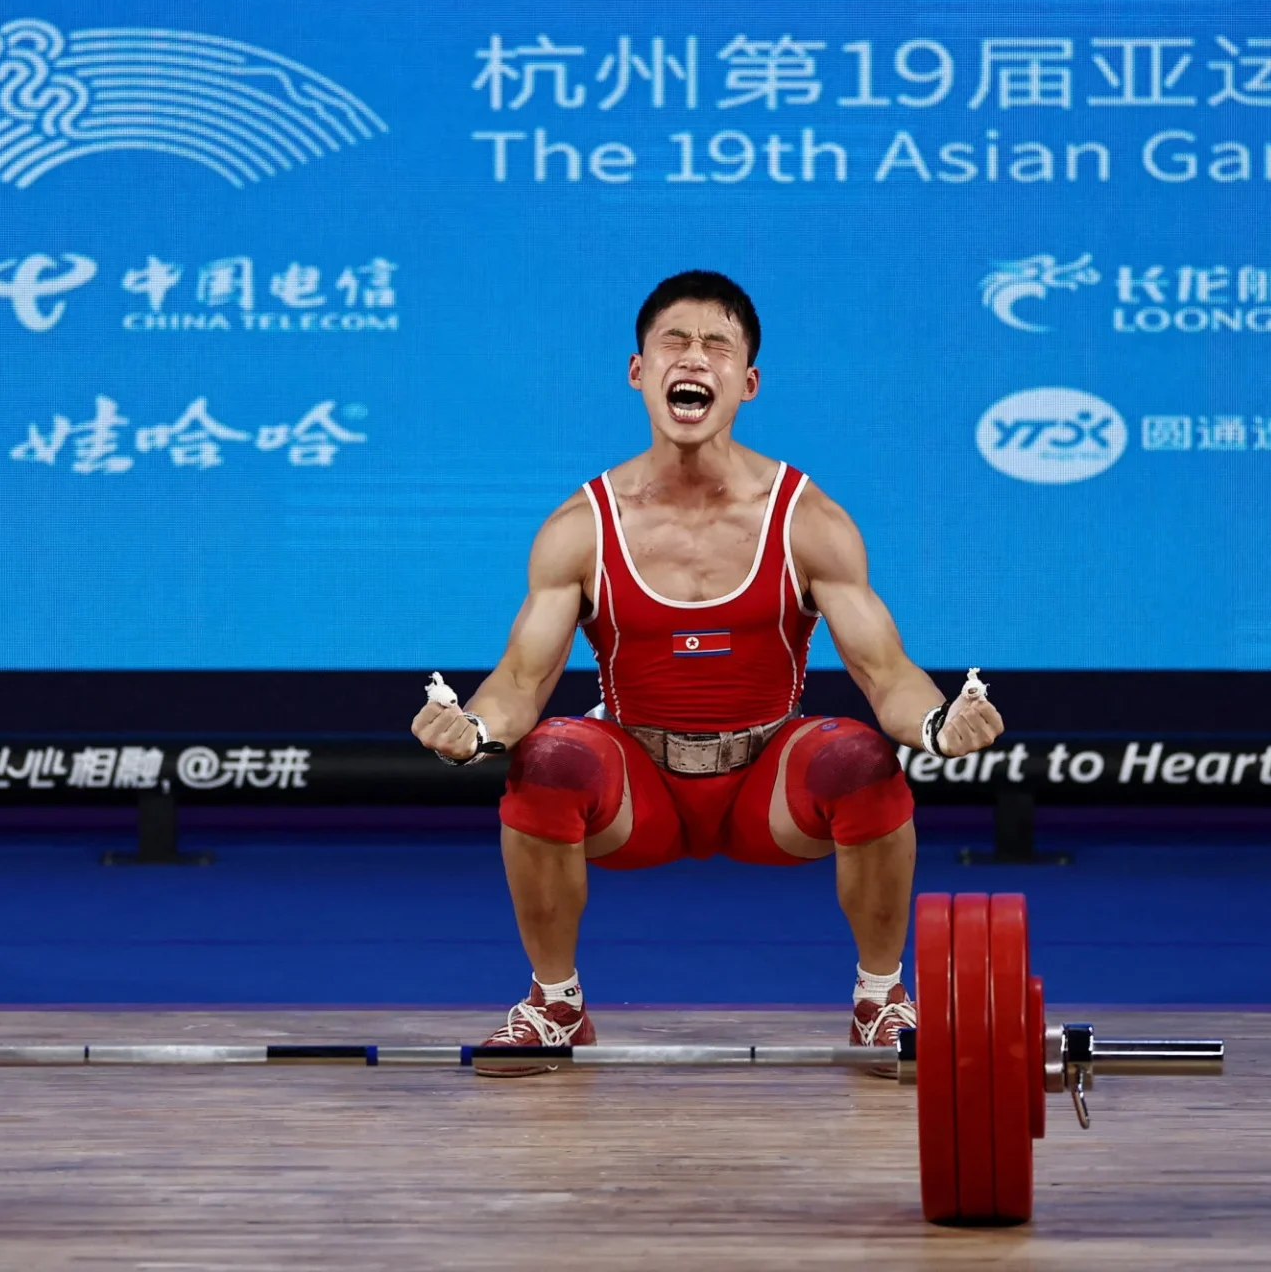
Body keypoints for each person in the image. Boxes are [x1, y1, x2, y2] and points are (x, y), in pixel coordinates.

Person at [411, 270, 1004, 1075]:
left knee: (862, 759)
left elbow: (885, 670)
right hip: (638, 790)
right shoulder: (579, 527)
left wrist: (938, 723)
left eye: (717, 346)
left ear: (747, 383)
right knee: (545, 757)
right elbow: (520, 683)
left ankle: (881, 998)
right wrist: (472, 729)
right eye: (674, 343)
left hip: (766, 789)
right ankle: (556, 1005)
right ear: (639, 371)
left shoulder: (808, 518)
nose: (695, 358)